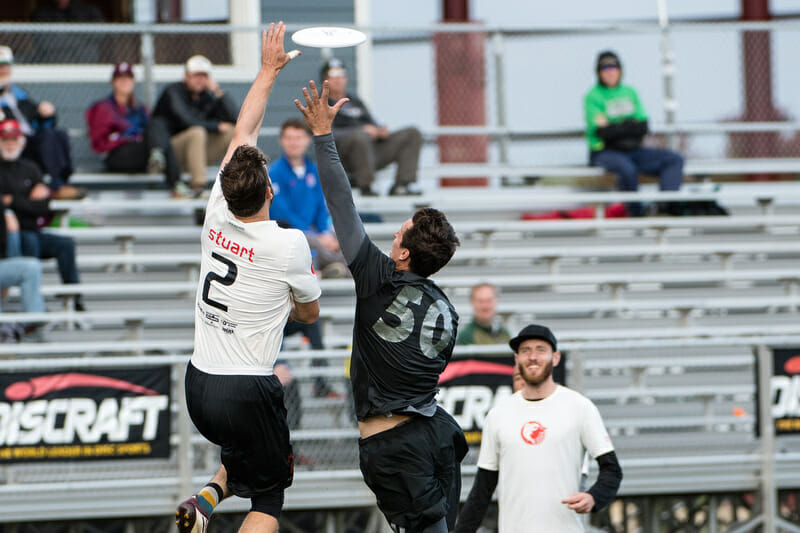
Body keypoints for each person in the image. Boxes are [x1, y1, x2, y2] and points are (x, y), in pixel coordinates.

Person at [295, 79, 466, 533]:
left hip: (394, 444)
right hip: (437, 431)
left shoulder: (378, 278)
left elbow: (340, 202)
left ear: (406, 253)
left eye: (399, 233)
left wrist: (322, 137)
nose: (392, 235)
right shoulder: (448, 309)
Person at [175, 23, 316, 533]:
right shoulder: (288, 243)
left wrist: (267, 70)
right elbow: (311, 311)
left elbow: (242, 133)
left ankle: (204, 502)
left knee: (246, 453)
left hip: (198, 384)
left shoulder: (216, 210)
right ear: (270, 191)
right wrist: (297, 307)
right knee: (270, 497)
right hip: (247, 387)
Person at [454, 324, 623, 533]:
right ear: (517, 360)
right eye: (525, 351)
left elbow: (612, 470)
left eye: (541, 350)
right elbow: (482, 490)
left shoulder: (580, 407)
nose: (533, 356)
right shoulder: (498, 414)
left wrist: (594, 497)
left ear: (556, 357)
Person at [584, 50, 683, 216]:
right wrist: (628, 125)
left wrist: (616, 127)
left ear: (620, 69)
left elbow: (643, 127)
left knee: (674, 159)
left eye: (614, 67)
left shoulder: (630, 92)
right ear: (598, 72)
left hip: (633, 150)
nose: (610, 72)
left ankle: (665, 208)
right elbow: (603, 133)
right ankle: (637, 215)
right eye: (605, 68)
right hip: (604, 151)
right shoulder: (592, 96)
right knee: (627, 169)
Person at [0, 119, 85, 312]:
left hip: (30, 228)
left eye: (13, 139)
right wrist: (26, 200)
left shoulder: (30, 168)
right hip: (8, 235)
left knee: (66, 244)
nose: (10, 144)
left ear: (21, 141)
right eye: (5, 140)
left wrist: (12, 201)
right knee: (29, 242)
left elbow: (43, 206)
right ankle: (34, 303)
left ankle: (74, 298)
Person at [321, 58, 424, 197]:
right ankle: (366, 186)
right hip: (345, 157)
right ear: (325, 81)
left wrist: (380, 131)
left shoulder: (355, 102)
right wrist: (360, 131)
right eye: (333, 76)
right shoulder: (323, 105)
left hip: (371, 151)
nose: (338, 80)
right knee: (360, 137)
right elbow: (325, 133)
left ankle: (402, 185)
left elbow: (372, 124)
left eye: (341, 75)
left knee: (412, 133)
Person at [0, 46, 82, 199]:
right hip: (10, 143)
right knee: (46, 137)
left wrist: (46, 114)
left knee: (58, 134)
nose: (4, 69)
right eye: (0, 66)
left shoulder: (18, 94)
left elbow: (39, 122)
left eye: (6, 65)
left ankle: (61, 183)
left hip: (30, 143)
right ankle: (56, 186)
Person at [269, 118, 348, 279]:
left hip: (315, 232)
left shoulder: (314, 170)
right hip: (289, 233)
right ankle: (337, 268)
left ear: (307, 140)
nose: (294, 143)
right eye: (289, 138)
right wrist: (318, 236)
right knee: (311, 242)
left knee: (345, 236)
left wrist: (324, 232)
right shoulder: (274, 173)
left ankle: (331, 269)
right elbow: (281, 212)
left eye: (298, 138)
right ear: (281, 141)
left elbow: (321, 206)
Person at [85, 62, 181, 193]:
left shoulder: (140, 108)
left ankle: (158, 159)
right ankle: (176, 184)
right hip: (118, 155)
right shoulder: (103, 108)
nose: (125, 82)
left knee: (158, 124)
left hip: (140, 153)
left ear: (133, 82)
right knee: (160, 143)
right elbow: (99, 142)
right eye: (120, 78)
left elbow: (152, 131)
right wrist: (128, 138)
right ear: (113, 82)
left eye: (128, 78)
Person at [153, 54, 238, 198]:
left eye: (204, 76)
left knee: (232, 132)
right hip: (172, 153)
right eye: (196, 75)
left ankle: (238, 181)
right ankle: (198, 186)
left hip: (197, 154)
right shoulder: (173, 92)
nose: (200, 80)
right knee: (196, 132)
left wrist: (218, 93)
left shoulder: (209, 95)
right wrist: (215, 126)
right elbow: (187, 120)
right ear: (186, 76)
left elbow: (235, 119)